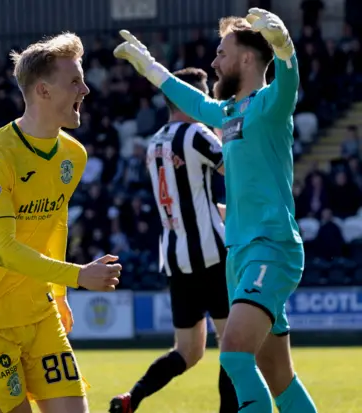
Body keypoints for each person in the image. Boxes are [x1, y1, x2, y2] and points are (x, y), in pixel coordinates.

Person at [113, 8, 317, 413]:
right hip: (239, 255)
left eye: (221, 53)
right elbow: (188, 96)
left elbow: (288, 78)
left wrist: (283, 45)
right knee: (280, 379)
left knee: (233, 355)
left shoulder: (270, 105)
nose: (213, 62)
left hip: (271, 249)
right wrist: (149, 66)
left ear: (246, 59)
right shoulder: (227, 114)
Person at [0, 32, 123, 413]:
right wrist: (77, 275)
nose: (86, 89)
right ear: (43, 91)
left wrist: (58, 295)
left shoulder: (73, 156)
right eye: (74, 81)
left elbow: (55, 222)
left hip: (39, 313)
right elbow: (5, 252)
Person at [109, 68, 237, 413]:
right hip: (211, 255)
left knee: (187, 351)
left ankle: (131, 398)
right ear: (190, 97)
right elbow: (235, 165)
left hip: (176, 259)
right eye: (204, 94)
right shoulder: (197, 133)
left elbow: (189, 200)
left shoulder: (154, 143)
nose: (208, 101)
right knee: (233, 344)